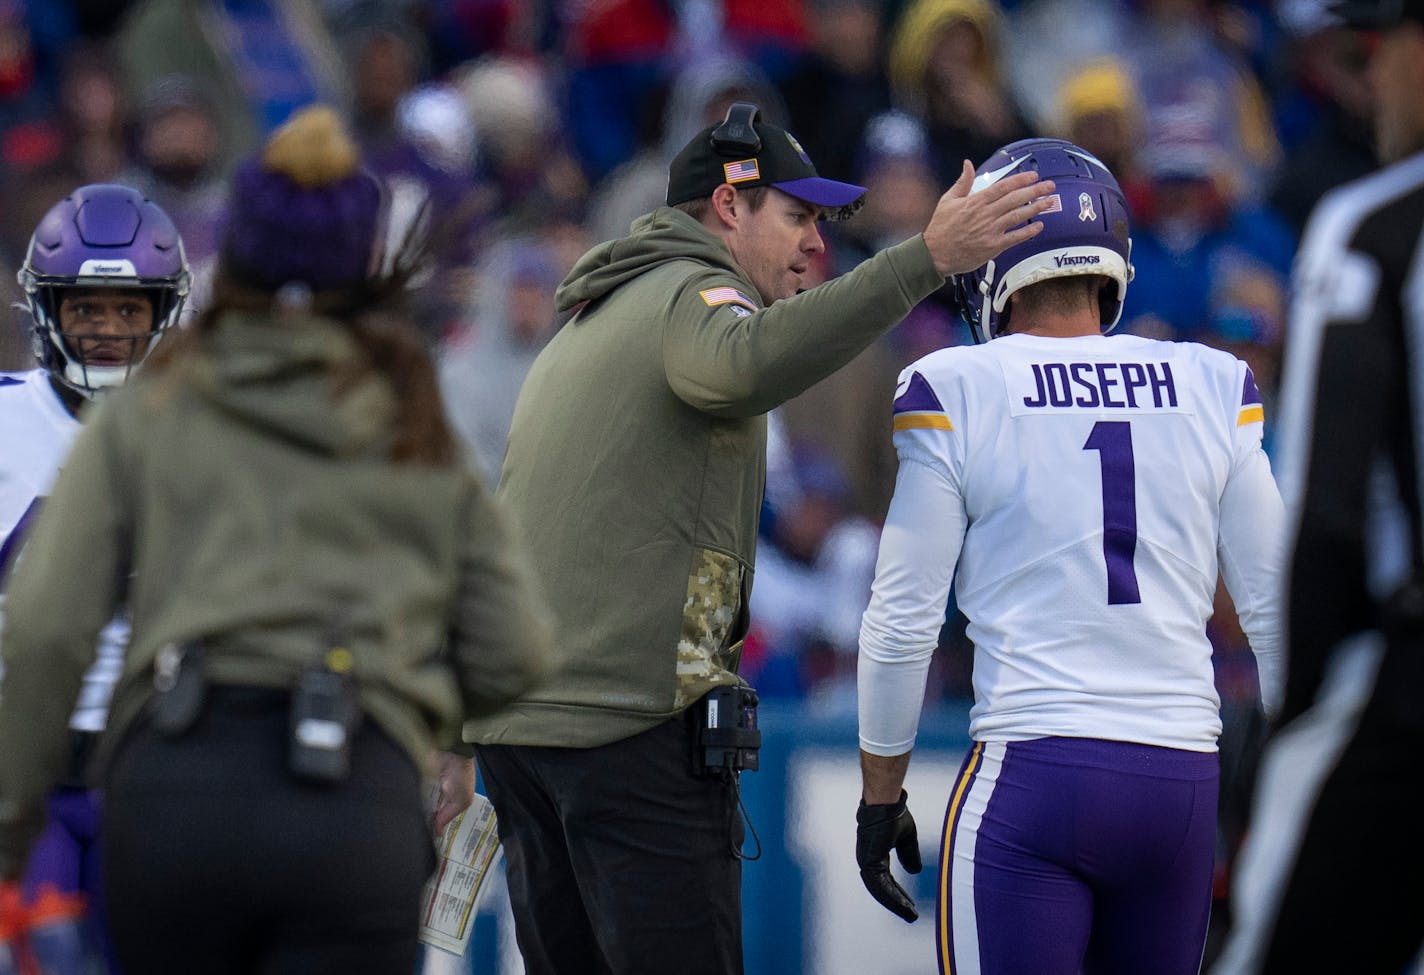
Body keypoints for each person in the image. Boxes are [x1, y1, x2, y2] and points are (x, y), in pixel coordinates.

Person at [463, 101, 1057, 975]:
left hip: (529, 732)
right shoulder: (691, 292)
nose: (817, 242)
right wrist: (927, 259)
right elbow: (742, 364)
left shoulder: (596, 316)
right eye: (798, 215)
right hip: (621, 731)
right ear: (728, 207)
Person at [0, 104, 556, 974]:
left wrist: (9, 823)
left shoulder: (150, 411)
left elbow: (45, 628)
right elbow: (516, 647)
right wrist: (424, 713)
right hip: (352, 799)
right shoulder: (403, 411)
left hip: (171, 787)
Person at [852, 137, 1286, 975]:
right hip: (1182, 785)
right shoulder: (1209, 381)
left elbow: (902, 619)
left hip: (1036, 771)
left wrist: (881, 793)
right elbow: (1275, 609)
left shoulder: (956, 386)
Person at [1208, 2, 1424, 972]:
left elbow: (1327, 508)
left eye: (1374, 52)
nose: (1366, 80)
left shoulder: (1370, 230)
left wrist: (1288, 719)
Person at [0, 182, 190, 973]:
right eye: (86, 308)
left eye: (127, 310)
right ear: (50, 311)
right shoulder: (8, 422)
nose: (108, 330)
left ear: (161, 314)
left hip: (157, 769)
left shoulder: (203, 435)